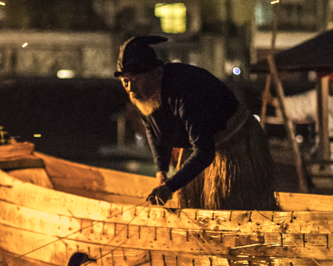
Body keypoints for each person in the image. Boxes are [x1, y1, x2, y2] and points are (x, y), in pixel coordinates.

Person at [115, 36, 277, 211]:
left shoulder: (185, 91)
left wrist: (170, 187)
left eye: (135, 80)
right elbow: (155, 132)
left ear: (156, 73)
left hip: (234, 143)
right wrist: (161, 170)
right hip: (196, 148)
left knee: (229, 208)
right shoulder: (140, 94)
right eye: (125, 81)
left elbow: (205, 152)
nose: (130, 89)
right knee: (190, 203)